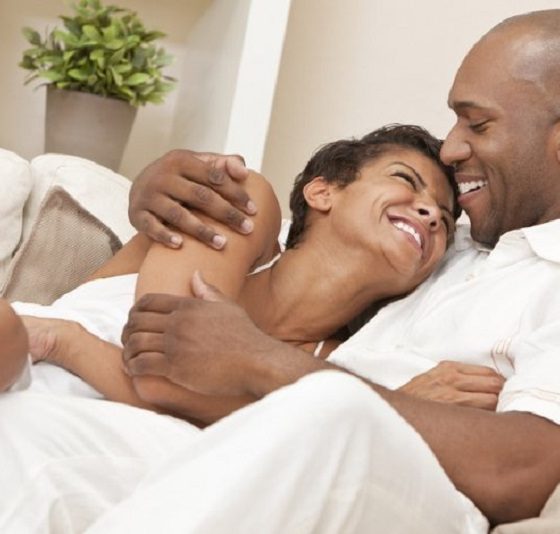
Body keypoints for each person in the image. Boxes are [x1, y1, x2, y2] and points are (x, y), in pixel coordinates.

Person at [88, 9, 560, 532]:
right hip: (249, 446)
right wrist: (160, 183)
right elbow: (300, 241)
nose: (451, 150)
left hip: (376, 474)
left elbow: (528, 470)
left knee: (336, 412)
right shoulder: (463, 237)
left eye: (479, 123)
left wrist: (262, 360)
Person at [3, 125, 491, 424]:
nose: (431, 213)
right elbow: (160, 372)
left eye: (446, 222)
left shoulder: (342, 366)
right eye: (405, 180)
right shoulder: (245, 208)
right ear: (322, 192)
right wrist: (368, 409)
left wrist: (66, 341)